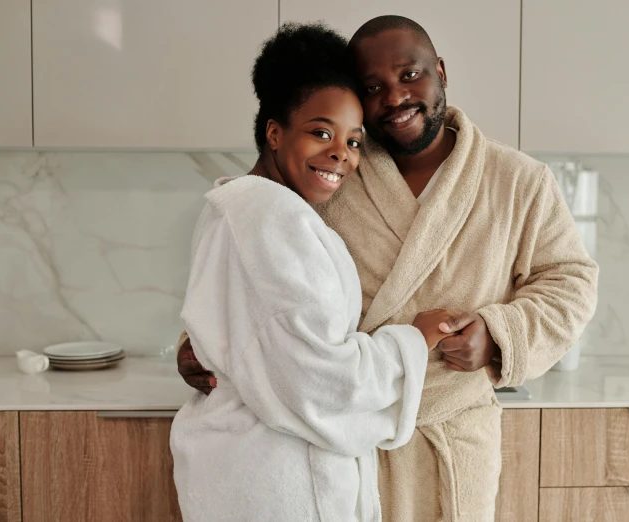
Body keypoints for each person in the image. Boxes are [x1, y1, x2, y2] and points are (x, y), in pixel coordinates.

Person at [178, 15, 599, 522]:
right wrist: (208, 340)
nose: (394, 97)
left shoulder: (518, 181)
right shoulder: (336, 169)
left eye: (410, 74)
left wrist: (498, 333)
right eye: (373, 87)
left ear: (440, 70)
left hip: (452, 440)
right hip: (346, 438)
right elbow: (259, 265)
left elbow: (570, 281)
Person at [169, 23, 463, 522]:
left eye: (353, 140)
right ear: (275, 132)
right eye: (321, 132)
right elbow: (319, 382)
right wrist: (415, 340)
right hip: (279, 484)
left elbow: (263, 334)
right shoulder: (273, 219)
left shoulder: (242, 207)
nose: (341, 155)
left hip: (248, 472)